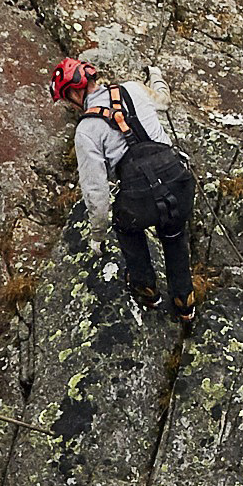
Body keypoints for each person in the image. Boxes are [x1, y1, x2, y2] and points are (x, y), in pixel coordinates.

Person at [52, 56, 194, 325]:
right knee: (174, 231)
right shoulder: (132, 88)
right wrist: (155, 75)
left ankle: (146, 288)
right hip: (177, 178)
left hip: (139, 196)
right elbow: (164, 100)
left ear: (74, 92)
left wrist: (97, 234)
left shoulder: (86, 130)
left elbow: (96, 191)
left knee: (126, 225)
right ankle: (183, 301)